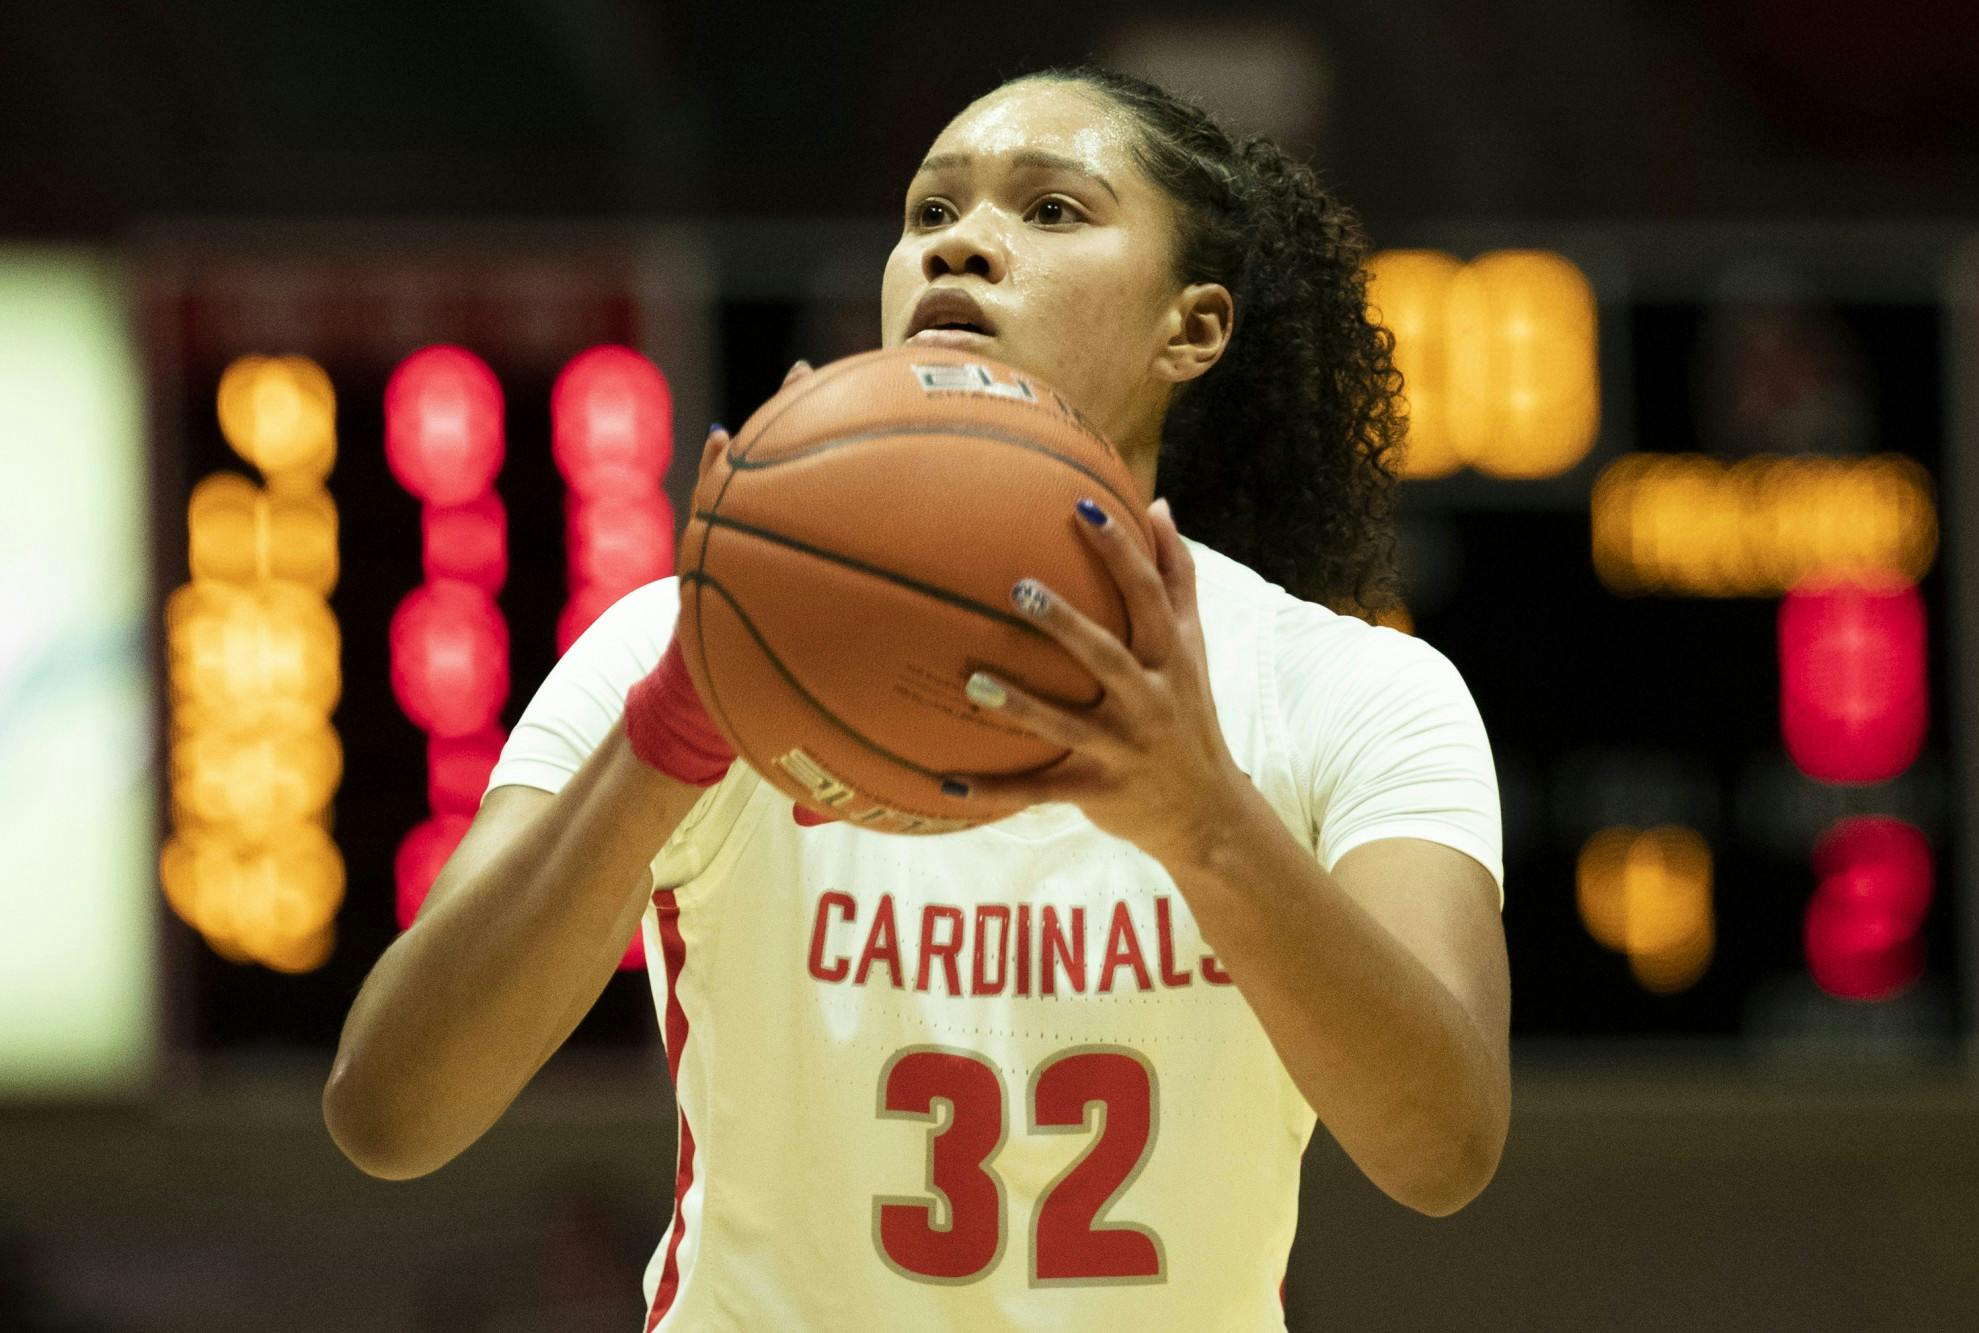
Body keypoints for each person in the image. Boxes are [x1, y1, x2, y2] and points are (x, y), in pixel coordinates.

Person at [325, 63, 1511, 1331]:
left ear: (1193, 327)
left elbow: (1439, 1150)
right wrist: (672, 730)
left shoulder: (1352, 690)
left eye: (1051, 211)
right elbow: (389, 1113)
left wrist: (1201, 819)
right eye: (929, 212)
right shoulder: (682, 642)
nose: (962, 247)